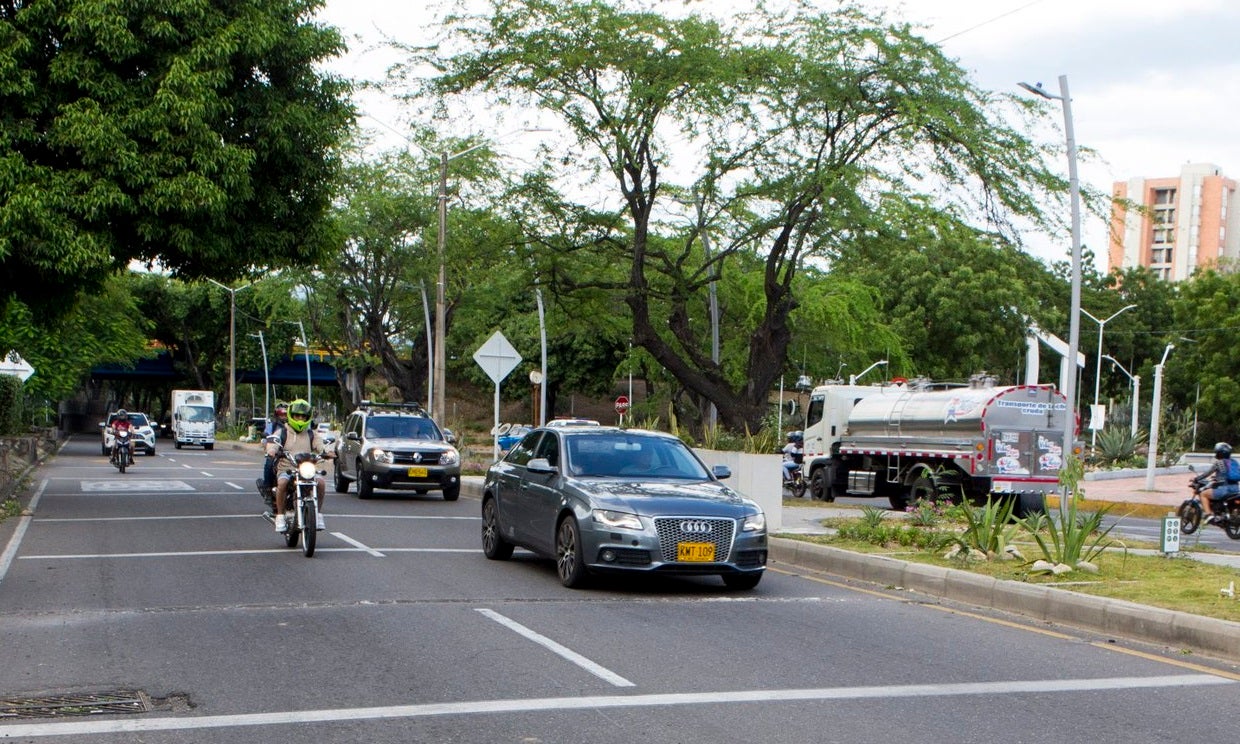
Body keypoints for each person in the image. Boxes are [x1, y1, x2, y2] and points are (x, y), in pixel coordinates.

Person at [266, 399, 333, 533]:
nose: (300, 418)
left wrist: (327, 452)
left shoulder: (311, 434)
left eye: (303, 416)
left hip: (306, 468)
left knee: (320, 483)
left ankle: (317, 515)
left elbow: (320, 446)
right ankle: (280, 516)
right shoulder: (282, 432)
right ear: (292, 415)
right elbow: (273, 443)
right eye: (297, 415)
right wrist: (272, 450)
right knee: (283, 483)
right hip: (287, 467)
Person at [1195, 442, 1240, 523]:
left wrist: (1196, 479)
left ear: (1219, 453)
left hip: (1223, 490)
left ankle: (1209, 515)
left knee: (1203, 494)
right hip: (1235, 489)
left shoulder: (1219, 462)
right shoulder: (1234, 462)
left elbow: (1207, 473)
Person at [260, 402, 289, 493]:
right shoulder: (272, 425)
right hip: (277, 452)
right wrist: (270, 449)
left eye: (286, 415)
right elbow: (266, 437)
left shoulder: (293, 426)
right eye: (281, 415)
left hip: (291, 452)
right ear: (277, 415)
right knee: (269, 462)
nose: (284, 417)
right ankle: (267, 487)